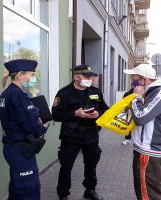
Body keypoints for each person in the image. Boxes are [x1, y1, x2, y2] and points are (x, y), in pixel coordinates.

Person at [52, 65, 109, 200]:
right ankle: (63, 194)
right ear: (77, 77)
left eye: (91, 76)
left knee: (91, 164)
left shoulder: (96, 92)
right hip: (71, 136)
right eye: (87, 76)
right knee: (66, 166)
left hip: (91, 135)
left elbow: (106, 110)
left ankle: (90, 190)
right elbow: (56, 115)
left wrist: (98, 113)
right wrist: (75, 114)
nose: (90, 79)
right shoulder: (64, 93)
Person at [123, 64, 161, 200]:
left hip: (149, 151)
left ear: (144, 79)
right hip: (143, 148)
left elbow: (141, 117)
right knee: (143, 190)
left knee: (148, 193)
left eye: (134, 78)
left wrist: (136, 97)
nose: (132, 81)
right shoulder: (149, 91)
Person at [0, 59, 48, 200]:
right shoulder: (18, 95)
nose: (33, 78)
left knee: (16, 187)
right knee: (28, 190)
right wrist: (42, 127)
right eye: (32, 75)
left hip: (12, 147)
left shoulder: (6, 93)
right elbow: (33, 126)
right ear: (20, 75)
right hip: (21, 151)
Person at [121, 80, 140, 145]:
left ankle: (138, 140)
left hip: (137, 113)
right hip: (128, 112)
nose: (135, 88)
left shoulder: (141, 94)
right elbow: (123, 102)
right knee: (127, 125)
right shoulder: (127, 94)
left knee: (137, 127)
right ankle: (127, 139)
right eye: (134, 86)